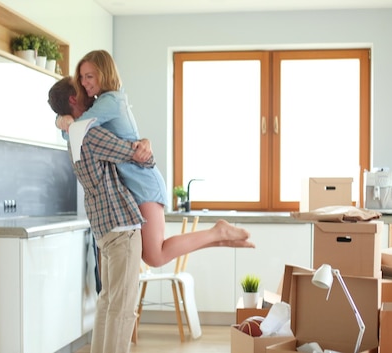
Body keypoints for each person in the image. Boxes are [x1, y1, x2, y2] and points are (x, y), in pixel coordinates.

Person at [55, 50, 255, 268]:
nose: (84, 82)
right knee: (152, 255)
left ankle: (218, 232)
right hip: (136, 181)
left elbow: (76, 131)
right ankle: (219, 237)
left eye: (89, 76)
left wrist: (62, 122)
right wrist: (61, 118)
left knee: (155, 256)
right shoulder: (104, 101)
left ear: (104, 73)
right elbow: (76, 125)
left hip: (143, 181)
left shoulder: (110, 101)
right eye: (82, 77)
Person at [48, 76, 151, 353]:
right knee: (123, 309)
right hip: (121, 227)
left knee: (108, 304)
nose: (87, 89)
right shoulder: (88, 133)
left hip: (105, 231)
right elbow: (139, 156)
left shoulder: (73, 134)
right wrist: (145, 145)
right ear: (73, 99)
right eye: (81, 87)